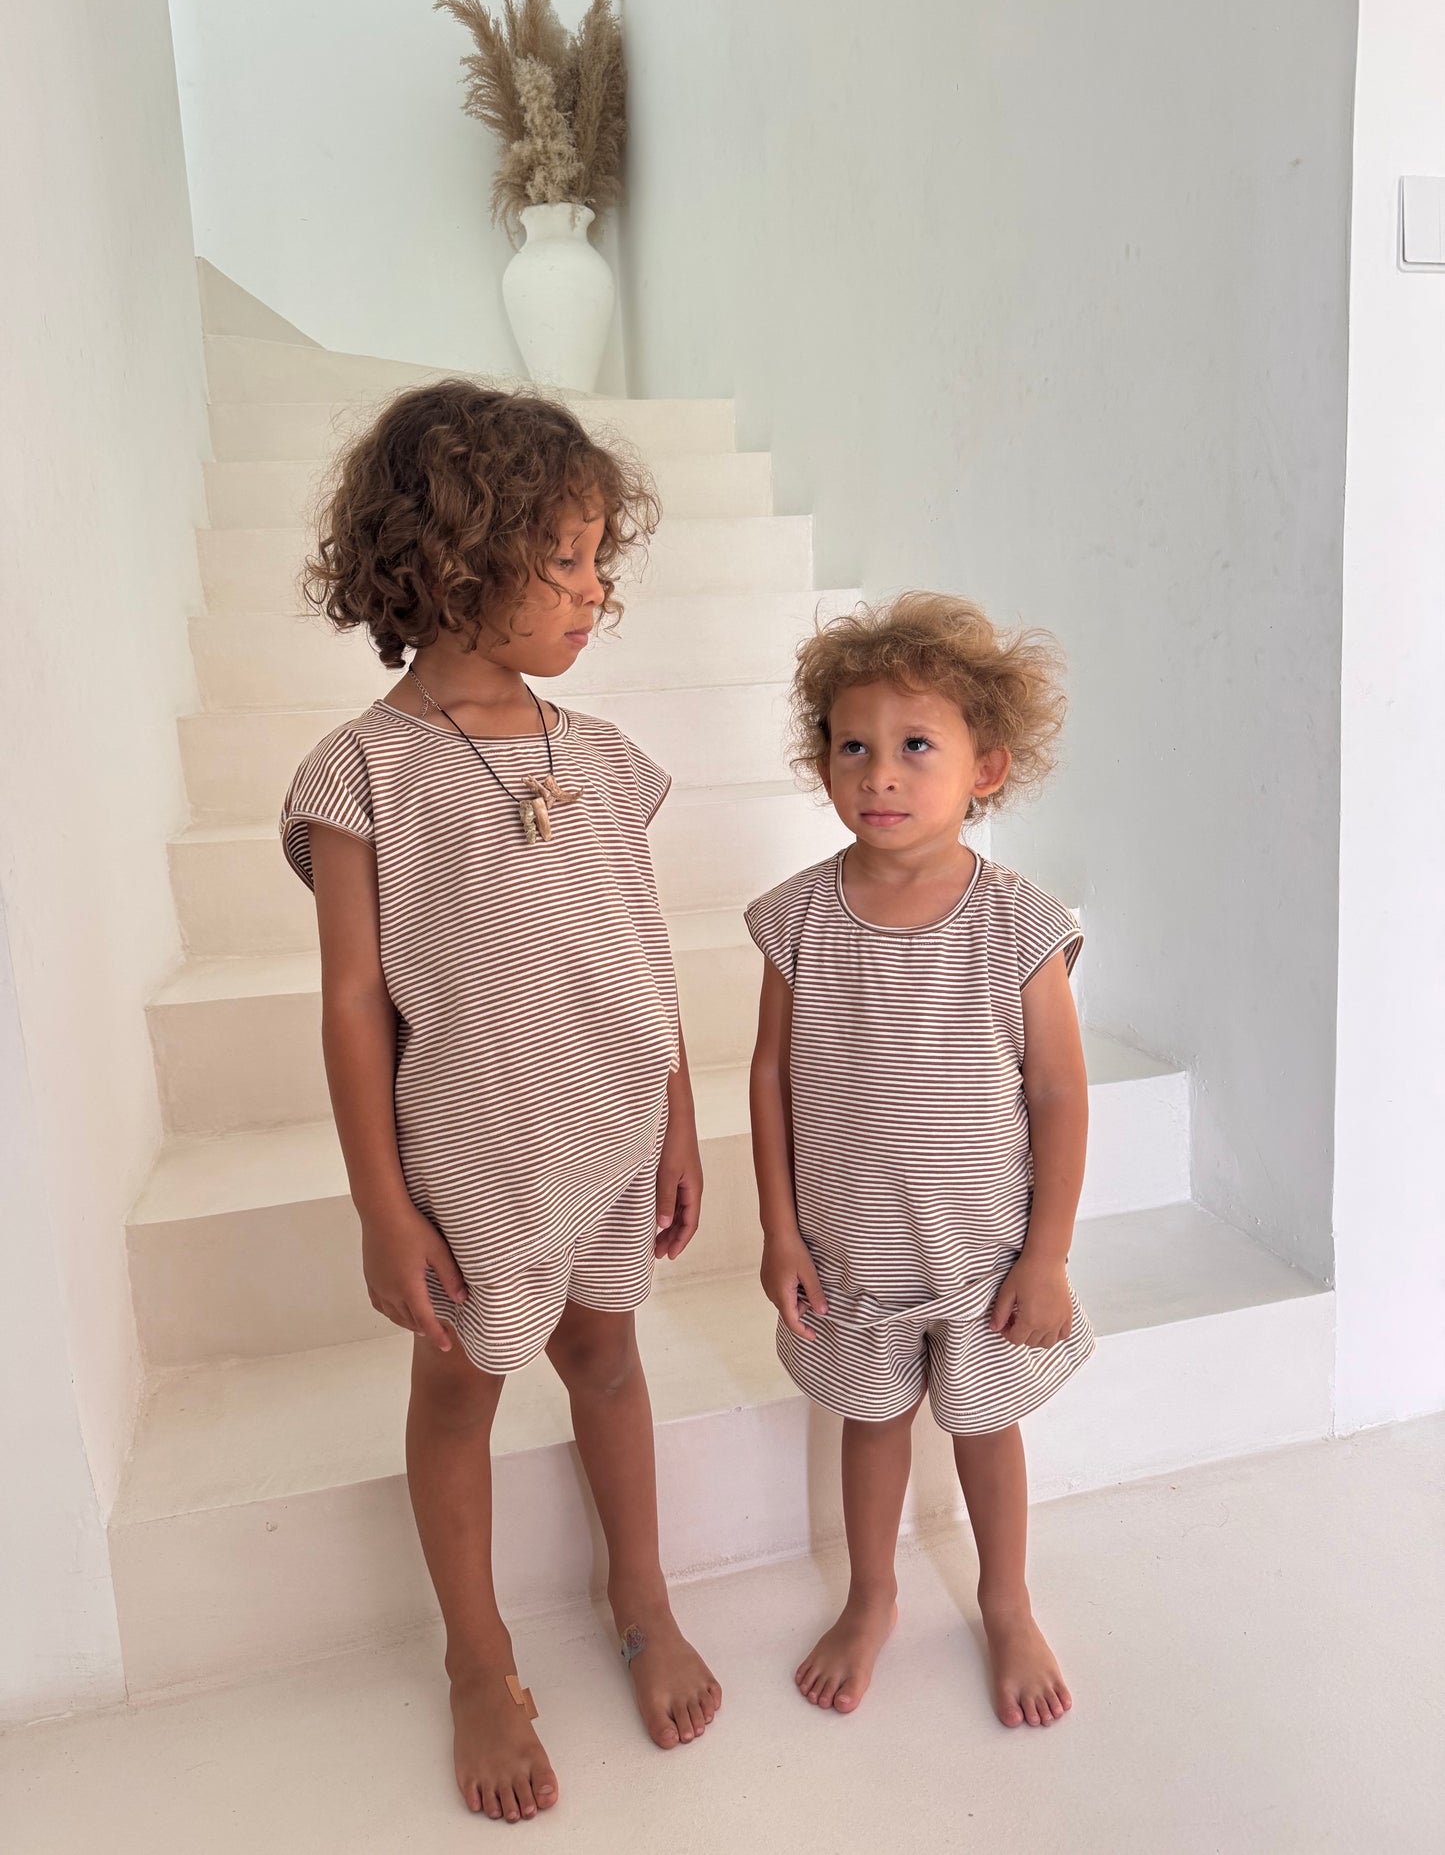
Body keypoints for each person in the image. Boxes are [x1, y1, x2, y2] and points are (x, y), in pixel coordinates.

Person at [280, 381, 721, 1823]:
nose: (597, 591)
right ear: (459, 563)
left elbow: (641, 945)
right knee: (458, 1392)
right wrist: (381, 1205)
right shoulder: (362, 773)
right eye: (567, 560)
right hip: (477, 1155)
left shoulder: (598, 756)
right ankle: (476, 1657)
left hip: (610, 1133)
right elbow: (355, 1002)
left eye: (600, 560)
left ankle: (640, 1598)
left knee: (608, 1357)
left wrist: (678, 1113)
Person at [746, 591, 1094, 1727]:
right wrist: (780, 1230)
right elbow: (769, 1075)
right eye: (852, 747)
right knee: (871, 1422)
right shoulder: (798, 918)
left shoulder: (1017, 922)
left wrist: (1045, 1255)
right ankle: (872, 1594)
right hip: (852, 1249)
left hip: (980, 1250)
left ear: (983, 767)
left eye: (913, 747)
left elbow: (1056, 1093)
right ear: (823, 763)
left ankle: (1005, 1601)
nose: (878, 774)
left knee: (985, 1428)